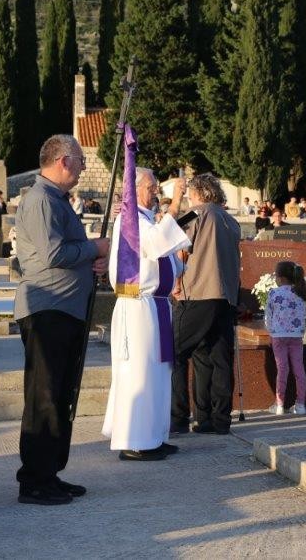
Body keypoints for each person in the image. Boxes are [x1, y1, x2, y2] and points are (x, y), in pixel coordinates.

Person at [14, 134, 110, 505]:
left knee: (59, 394)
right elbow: (53, 253)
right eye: (81, 160)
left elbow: (67, 251)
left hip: (65, 309)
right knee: (45, 396)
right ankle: (34, 481)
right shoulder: (40, 199)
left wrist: (91, 259)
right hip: (48, 310)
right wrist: (94, 247)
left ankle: (49, 474)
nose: (84, 167)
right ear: (63, 161)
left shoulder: (55, 199)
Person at [103, 168, 190, 462]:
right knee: (139, 372)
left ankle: (153, 436)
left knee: (157, 373)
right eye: (151, 187)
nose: (156, 192)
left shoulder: (145, 218)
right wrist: (175, 203)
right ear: (135, 188)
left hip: (156, 305)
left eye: (156, 187)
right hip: (138, 306)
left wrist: (177, 269)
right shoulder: (130, 219)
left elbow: (160, 255)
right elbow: (154, 244)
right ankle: (134, 441)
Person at [172, 173, 241, 436]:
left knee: (174, 352)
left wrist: (175, 281)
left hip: (198, 293)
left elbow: (178, 248)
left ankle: (178, 417)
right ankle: (217, 420)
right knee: (215, 358)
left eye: (191, 193)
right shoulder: (231, 221)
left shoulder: (195, 214)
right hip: (226, 297)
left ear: (199, 193)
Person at [265, 261, 306, 416]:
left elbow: (268, 316)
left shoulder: (273, 293)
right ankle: (300, 405)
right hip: (296, 336)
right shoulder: (300, 292)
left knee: (282, 369)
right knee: (299, 369)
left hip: (279, 335)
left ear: (281, 278)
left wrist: (271, 331)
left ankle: (279, 405)